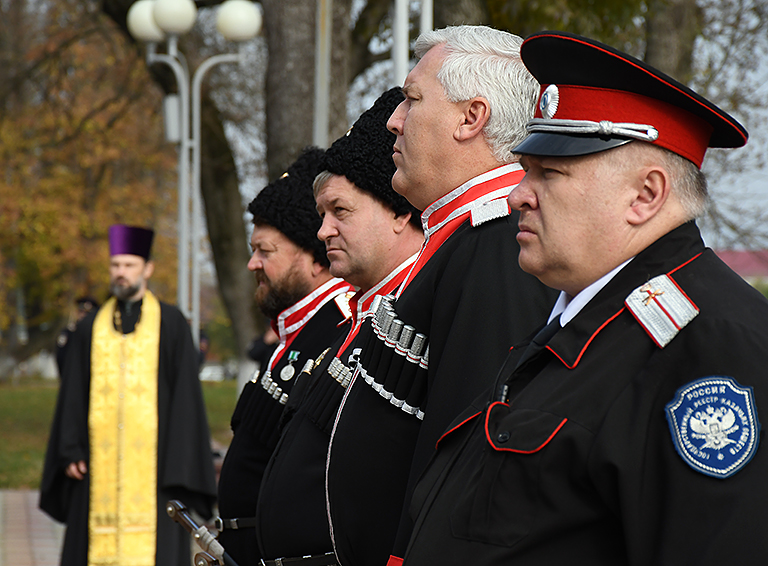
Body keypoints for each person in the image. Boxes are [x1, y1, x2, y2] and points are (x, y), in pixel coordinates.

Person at [400, 31, 768, 565]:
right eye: (526, 170)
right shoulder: (582, 318)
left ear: (646, 195)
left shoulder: (709, 345)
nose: (518, 193)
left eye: (550, 173)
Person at [325, 26, 559, 566]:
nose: (393, 121)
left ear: (470, 118)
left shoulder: (498, 243)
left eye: (411, 100)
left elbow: (471, 452)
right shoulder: (460, 239)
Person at [255, 88, 425, 565]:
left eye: (340, 211)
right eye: (321, 215)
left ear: (398, 212)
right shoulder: (364, 314)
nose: (323, 230)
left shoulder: (410, 310)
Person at [40, 224, 217, 566]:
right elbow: (73, 392)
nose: (121, 273)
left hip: (156, 471)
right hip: (96, 468)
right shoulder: (91, 327)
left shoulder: (171, 323)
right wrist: (71, 448)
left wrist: (179, 466)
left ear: (147, 268)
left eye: (129, 265)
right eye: (115, 265)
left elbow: (185, 400)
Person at [215, 147, 355, 566]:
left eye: (265, 251)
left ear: (314, 259)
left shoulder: (337, 328)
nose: (251, 263)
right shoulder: (298, 331)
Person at [56, 296, 99, 377]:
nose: (83, 316)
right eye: (81, 312)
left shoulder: (98, 334)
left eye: (87, 313)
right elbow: (61, 357)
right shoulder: (69, 333)